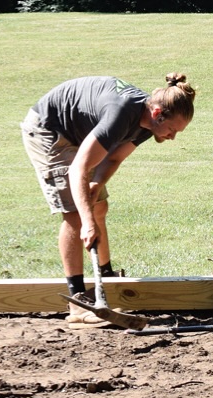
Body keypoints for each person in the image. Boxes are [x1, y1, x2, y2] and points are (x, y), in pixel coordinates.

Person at [21, 72, 196, 325]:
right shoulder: (121, 114)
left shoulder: (147, 124)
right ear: (158, 114)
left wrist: (97, 184)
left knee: (99, 206)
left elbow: (113, 158)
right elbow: (78, 168)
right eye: (172, 130)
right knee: (75, 216)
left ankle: (106, 279)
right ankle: (78, 303)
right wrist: (87, 221)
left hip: (80, 133)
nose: (172, 137)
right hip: (50, 130)